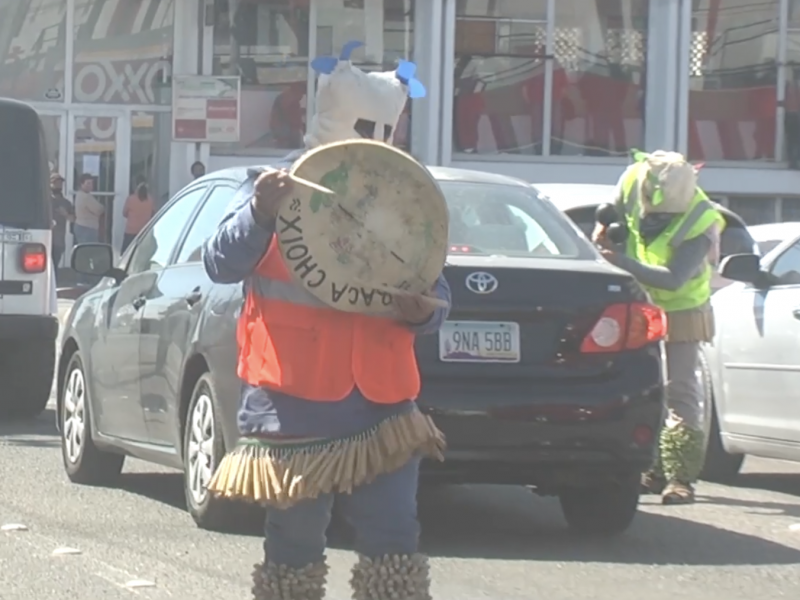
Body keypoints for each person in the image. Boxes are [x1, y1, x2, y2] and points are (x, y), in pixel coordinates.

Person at [202, 40, 450, 600]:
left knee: (394, 538)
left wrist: (424, 312)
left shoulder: (404, 197)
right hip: (295, 404)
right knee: (294, 541)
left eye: (387, 131)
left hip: (384, 404)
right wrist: (261, 214)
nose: (377, 143)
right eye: (366, 126)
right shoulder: (271, 189)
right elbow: (220, 262)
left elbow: (436, 289)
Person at [593, 149, 724, 505]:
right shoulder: (634, 178)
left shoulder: (701, 221)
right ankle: (651, 469)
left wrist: (619, 261)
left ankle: (681, 478)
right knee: (643, 387)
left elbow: (673, 279)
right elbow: (611, 211)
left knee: (679, 390)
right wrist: (603, 230)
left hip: (682, 308)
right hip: (638, 304)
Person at [49, 173, 75, 269]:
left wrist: (66, 214)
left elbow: (73, 219)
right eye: (55, 183)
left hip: (58, 239)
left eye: (60, 183)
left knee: (55, 265)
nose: (58, 185)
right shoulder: (45, 200)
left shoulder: (66, 203)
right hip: (45, 238)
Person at [122, 182, 155, 252]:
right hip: (144, 231)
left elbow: (124, 213)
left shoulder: (131, 199)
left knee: (125, 253)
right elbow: (153, 214)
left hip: (130, 231)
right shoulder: (150, 200)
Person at [73, 173, 104, 245]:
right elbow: (99, 210)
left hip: (82, 226)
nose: (90, 186)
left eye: (92, 183)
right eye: (88, 183)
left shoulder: (80, 194)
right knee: (89, 250)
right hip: (87, 228)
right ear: (81, 184)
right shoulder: (85, 197)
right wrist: (102, 207)